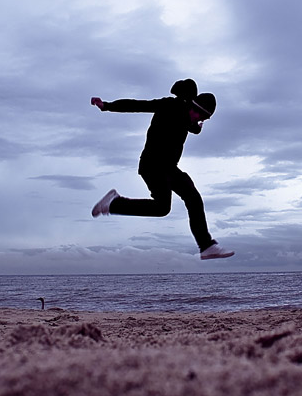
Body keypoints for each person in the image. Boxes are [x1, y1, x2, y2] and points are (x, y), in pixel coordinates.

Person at [90, 79, 235, 260]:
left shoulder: (189, 117)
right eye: (199, 116)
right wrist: (107, 106)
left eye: (203, 119)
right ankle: (114, 203)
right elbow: (137, 105)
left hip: (169, 168)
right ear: (193, 107)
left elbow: (193, 128)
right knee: (162, 207)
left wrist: (198, 126)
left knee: (193, 198)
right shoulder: (169, 106)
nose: (198, 120)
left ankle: (206, 246)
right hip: (152, 165)